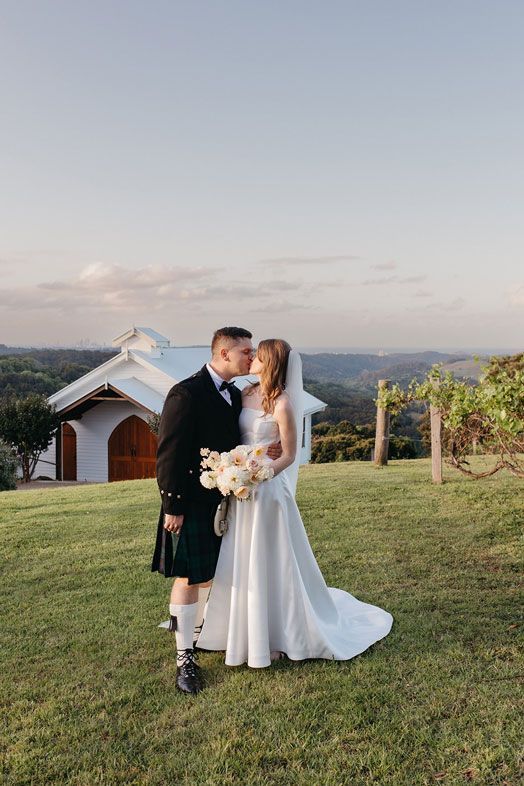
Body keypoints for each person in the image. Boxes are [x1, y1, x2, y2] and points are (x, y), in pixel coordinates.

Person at [197, 339, 393, 668]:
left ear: (270, 362)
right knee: (242, 558)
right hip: (241, 490)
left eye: (257, 355)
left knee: (270, 561)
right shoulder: (244, 394)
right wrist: (233, 469)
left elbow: (289, 453)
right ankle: (240, 628)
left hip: (268, 492)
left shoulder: (284, 405)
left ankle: (275, 633)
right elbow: (235, 437)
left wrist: (261, 472)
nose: (252, 359)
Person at [151, 327, 281, 695]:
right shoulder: (186, 393)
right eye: (245, 352)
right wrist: (172, 506)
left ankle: (208, 629)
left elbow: (240, 440)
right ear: (224, 354)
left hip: (229, 498)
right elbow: (169, 454)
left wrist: (264, 451)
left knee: (217, 572)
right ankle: (185, 660)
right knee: (190, 576)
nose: (251, 358)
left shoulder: (238, 395)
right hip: (190, 501)